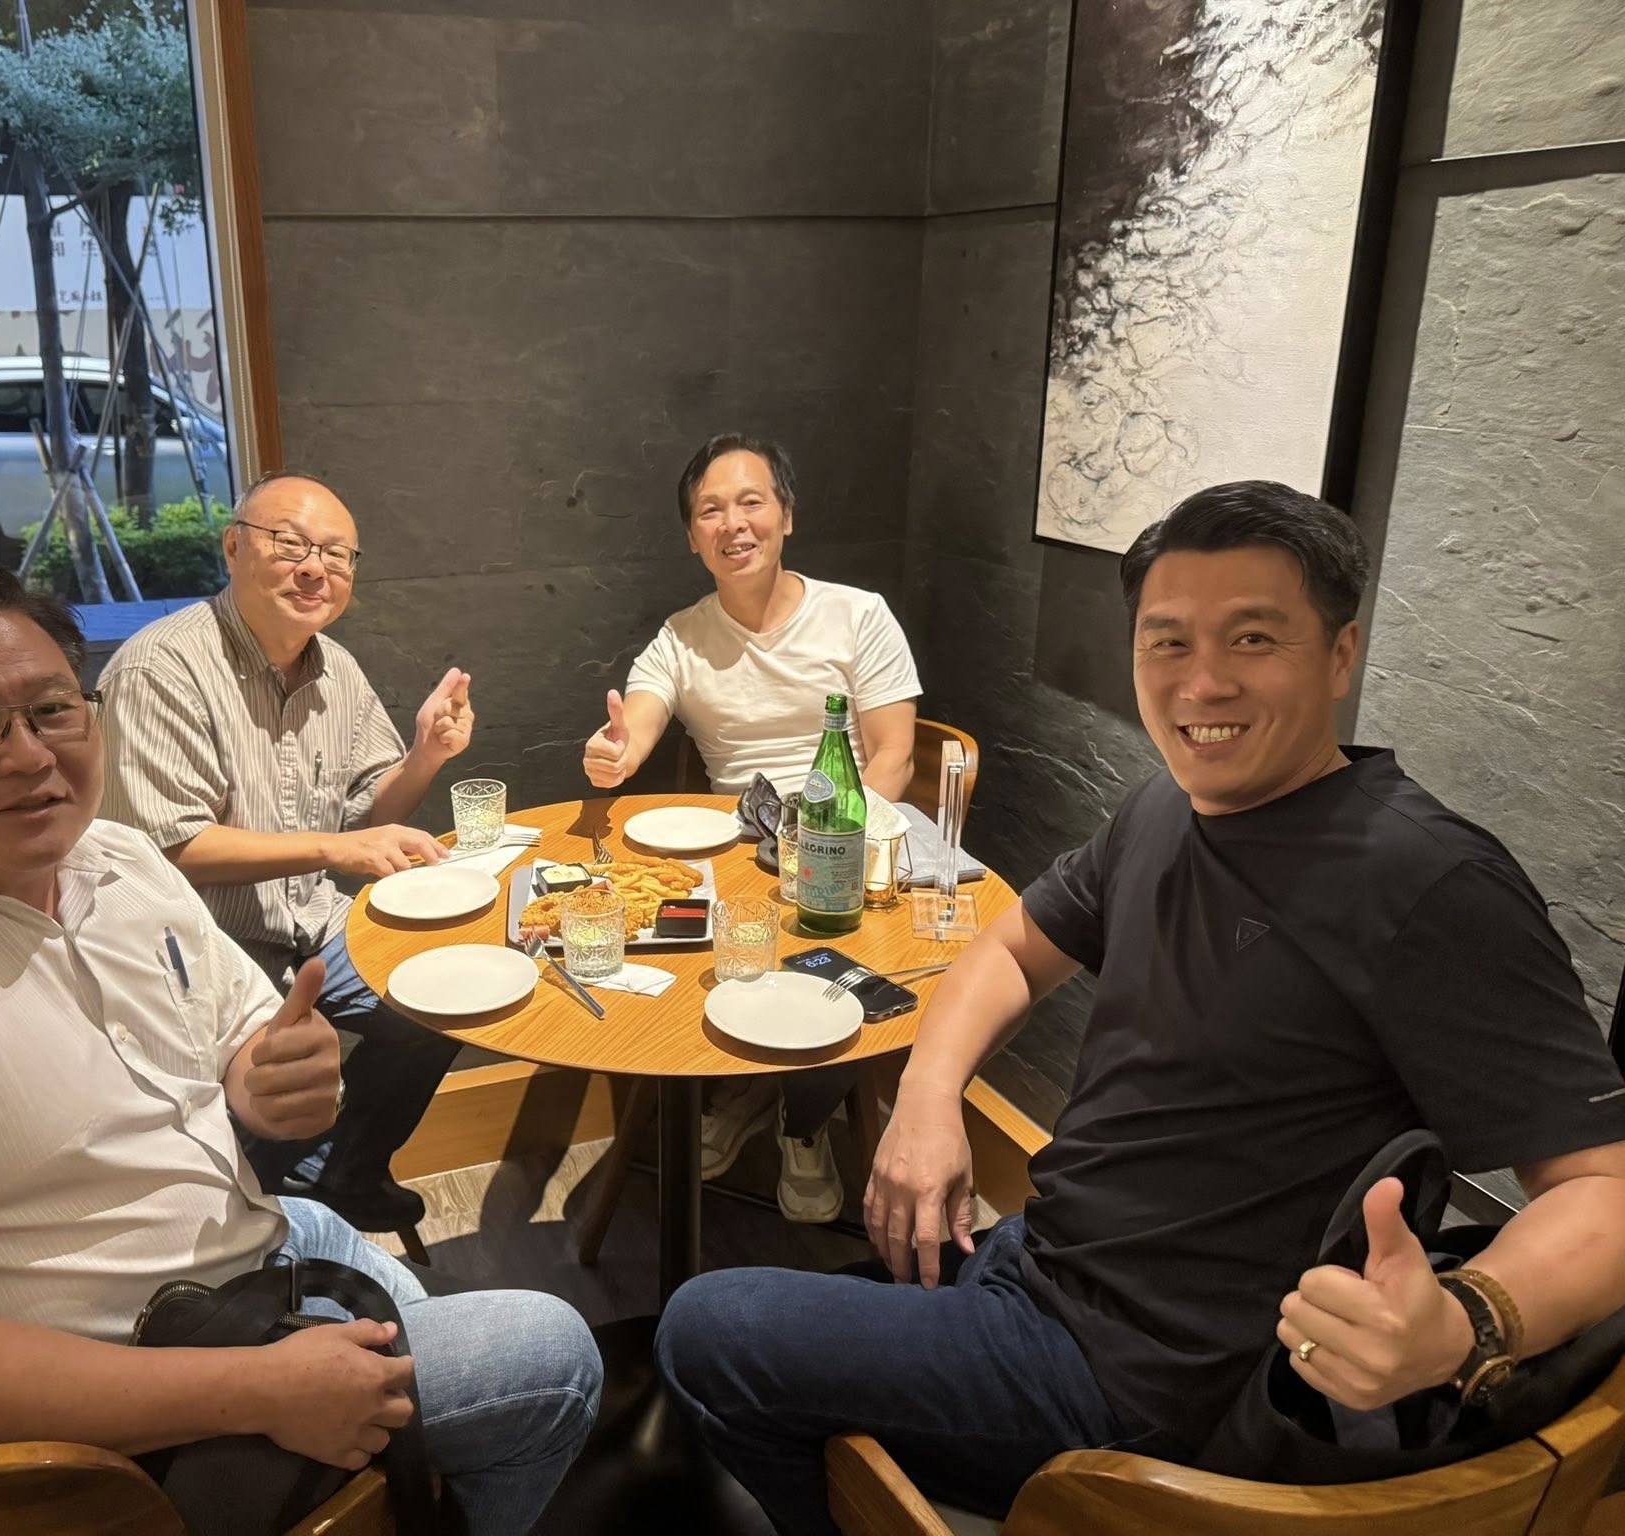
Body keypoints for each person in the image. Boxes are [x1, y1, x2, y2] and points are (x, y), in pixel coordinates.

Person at [654, 480, 1625, 1533]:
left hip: (1144, 1377)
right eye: (1167, 642)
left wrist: (1465, 1323)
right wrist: (927, 1099)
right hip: (1046, 1253)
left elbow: (1604, 1188)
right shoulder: (1166, 806)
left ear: (1340, 654)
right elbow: (1011, 948)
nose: (1200, 681)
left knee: (709, 1328)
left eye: (1252, 638)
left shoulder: (1427, 882)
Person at [0, 563, 599, 1536]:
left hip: (249, 1235)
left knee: (355, 1244)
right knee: (550, 1355)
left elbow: (239, 1032)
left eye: (51, 710)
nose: (28, 754)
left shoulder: (107, 860)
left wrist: (263, 1074)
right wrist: (258, 1390)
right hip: (136, 1390)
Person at [98, 472, 474, 1233]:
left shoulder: (335, 667)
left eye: (336, 554)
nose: (314, 569)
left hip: (309, 921)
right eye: (291, 544)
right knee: (264, 1107)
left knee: (441, 1002)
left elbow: (371, 811)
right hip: (198, 950)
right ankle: (271, 1216)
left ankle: (345, 1172)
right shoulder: (160, 670)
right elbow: (172, 847)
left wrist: (426, 756)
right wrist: (338, 845)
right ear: (234, 547)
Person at [582, 432, 924, 1223]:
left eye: (751, 502)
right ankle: (745, 1093)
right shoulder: (681, 636)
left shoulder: (857, 615)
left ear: (786, 515)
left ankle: (801, 1120)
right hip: (738, 849)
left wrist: (827, 846)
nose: (733, 524)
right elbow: (636, 726)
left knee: (847, 957)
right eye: (711, 511)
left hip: (848, 835)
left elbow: (894, 756)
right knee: (685, 931)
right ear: (691, 535)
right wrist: (614, 754)